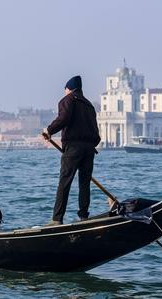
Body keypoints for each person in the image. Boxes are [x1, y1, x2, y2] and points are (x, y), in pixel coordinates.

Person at [42, 75, 101, 226]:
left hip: (73, 148)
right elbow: (96, 131)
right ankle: (84, 216)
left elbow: (63, 119)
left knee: (65, 182)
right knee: (84, 183)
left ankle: (57, 219)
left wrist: (49, 130)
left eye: (65, 90)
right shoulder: (89, 105)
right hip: (89, 149)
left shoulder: (68, 100)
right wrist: (91, 144)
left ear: (68, 89)